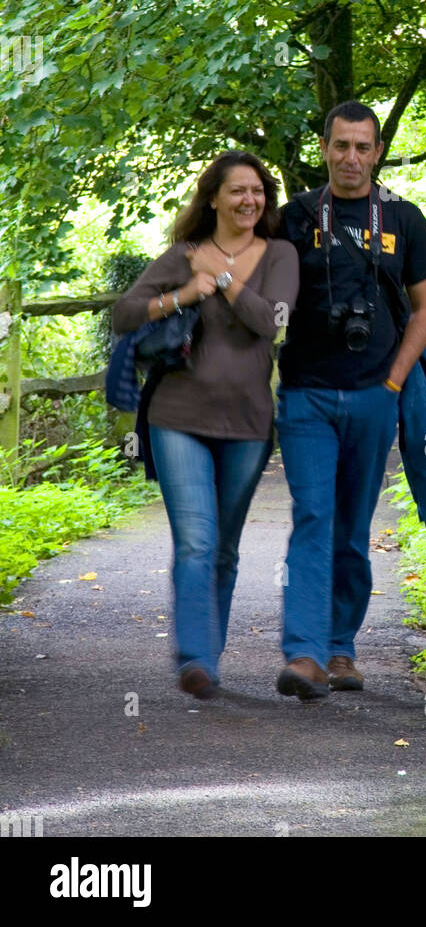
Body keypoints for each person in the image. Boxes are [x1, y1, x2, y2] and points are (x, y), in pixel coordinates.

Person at [274, 101, 426, 700]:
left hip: (376, 393)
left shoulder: (404, 217)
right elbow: (254, 290)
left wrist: (395, 382)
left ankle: (341, 649)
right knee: (314, 517)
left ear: (377, 152)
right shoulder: (294, 218)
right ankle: (303, 654)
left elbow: (425, 308)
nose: (351, 158)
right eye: (340, 146)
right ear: (325, 148)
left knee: (351, 526)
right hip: (306, 396)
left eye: (362, 147)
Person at [112, 151, 299, 699]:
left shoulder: (279, 254)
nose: (249, 200)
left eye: (258, 191)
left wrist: (221, 281)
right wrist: (182, 294)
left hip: (247, 425)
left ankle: (208, 654)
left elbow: (274, 321)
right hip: (178, 417)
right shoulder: (183, 255)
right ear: (213, 198)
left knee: (224, 547)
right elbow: (124, 314)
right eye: (237, 191)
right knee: (196, 540)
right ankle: (196, 660)